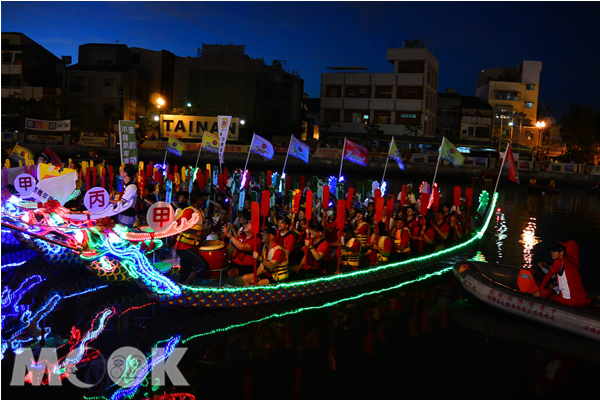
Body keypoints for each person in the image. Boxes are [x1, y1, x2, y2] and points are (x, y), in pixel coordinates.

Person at [533, 243, 590, 307]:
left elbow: (548, 276)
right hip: (583, 300)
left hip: (570, 301)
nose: (552, 253)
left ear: (562, 253)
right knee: (554, 289)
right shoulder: (572, 262)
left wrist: (539, 290)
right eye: (551, 251)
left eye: (554, 251)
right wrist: (547, 266)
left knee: (549, 296)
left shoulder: (558, 262)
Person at [173, 189, 208, 284]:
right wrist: (195, 232)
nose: (205, 200)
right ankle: (186, 284)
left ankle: (182, 290)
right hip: (183, 247)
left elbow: (199, 232)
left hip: (190, 246)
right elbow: (179, 226)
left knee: (185, 272)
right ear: (199, 199)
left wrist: (205, 231)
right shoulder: (189, 211)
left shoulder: (199, 212)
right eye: (203, 198)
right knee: (203, 265)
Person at [110, 164, 138, 228]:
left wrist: (107, 201)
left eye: (121, 170)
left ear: (125, 174)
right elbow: (125, 195)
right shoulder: (128, 185)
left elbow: (121, 202)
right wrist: (116, 192)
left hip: (126, 218)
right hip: (123, 216)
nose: (120, 171)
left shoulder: (131, 187)